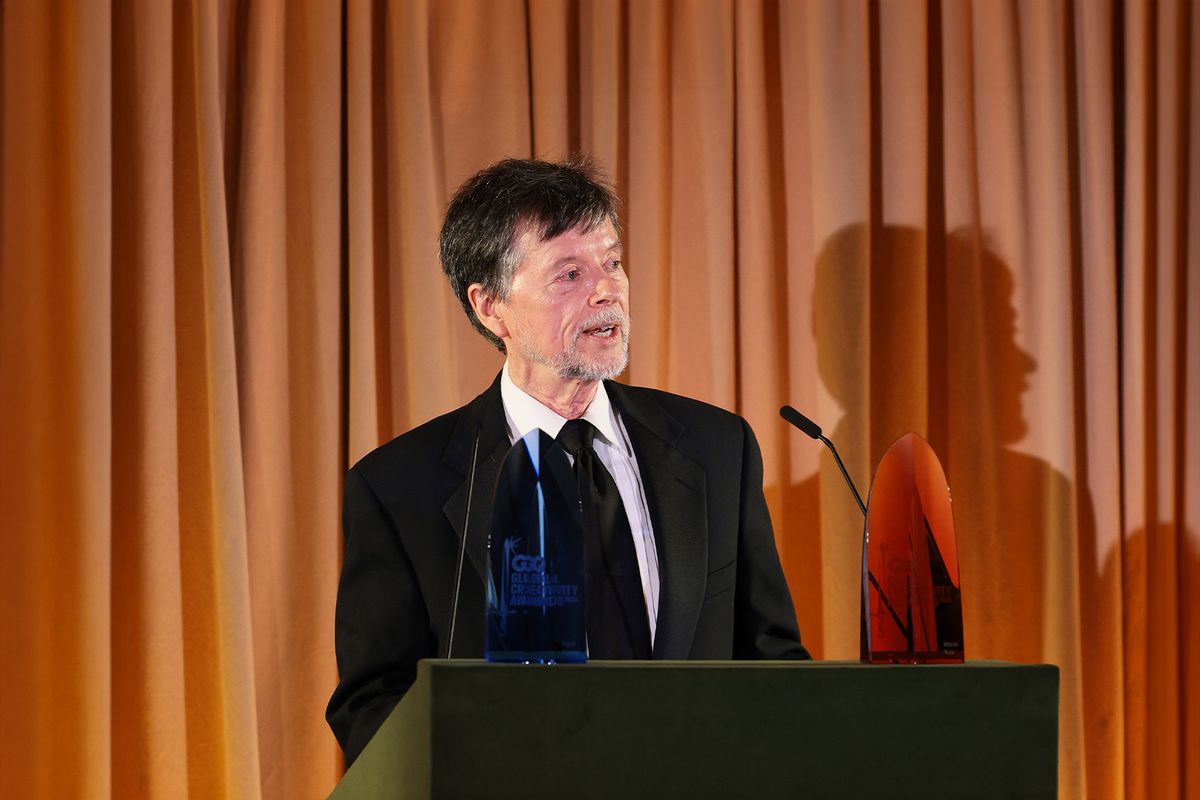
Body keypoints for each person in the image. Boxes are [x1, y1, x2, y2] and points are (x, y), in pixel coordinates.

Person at [327, 157, 809, 765]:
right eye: (569, 274)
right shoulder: (399, 487)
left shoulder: (717, 448)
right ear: (490, 307)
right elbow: (372, 700)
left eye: (611, 262)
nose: (606, 289)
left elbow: (772, 659)